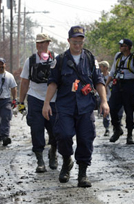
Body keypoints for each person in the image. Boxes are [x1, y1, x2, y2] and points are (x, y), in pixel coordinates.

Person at [42, 25, 109, 188]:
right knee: (63, 135)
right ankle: (66, 161)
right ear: (69, 41)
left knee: (86, 139)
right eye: (74, 42)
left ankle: (82, 174)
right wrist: (46, 104)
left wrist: (104, 101)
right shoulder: (61, 60)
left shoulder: (90, 59)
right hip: (65, 106)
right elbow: (52, 83)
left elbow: (99, 82)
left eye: (80, 42)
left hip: (85, 107)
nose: (77, 45)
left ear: (83, 40)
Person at [18, 33, 58, 173]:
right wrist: (21, 102)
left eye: (43, 43)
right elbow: (24, 82)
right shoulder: (31, 61)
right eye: (38, 43)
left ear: (48, 43)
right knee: (36, 129)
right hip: (35, 98)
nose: (40, 45)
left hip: (53, 99)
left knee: (55, 130)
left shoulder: (56, 59)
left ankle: (53, 152)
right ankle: (40, 160)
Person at [105, 39, 134, 145]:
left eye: (123, 45)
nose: (121, 47)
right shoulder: (118, 56)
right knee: (112, 108)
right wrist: (106, 85)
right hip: (117, 85)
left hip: (129, 86)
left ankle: (129, 135)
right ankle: (117, 129)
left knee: (129, 110)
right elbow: (112, 72)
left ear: (128, 47)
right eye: (120, 45)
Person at [98, 61, 124, 136]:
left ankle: (116, 128)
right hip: (104, 98)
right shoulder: (100, 77)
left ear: (106, 67)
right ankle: (106, 129)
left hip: (112, 97)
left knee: (115, 113)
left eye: (101, 67)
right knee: (105, 114)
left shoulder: (112, 76)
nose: (100, 68)